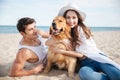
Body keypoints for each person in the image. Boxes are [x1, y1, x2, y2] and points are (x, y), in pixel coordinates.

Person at [45, 3, 120, 80]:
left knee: (117, 75)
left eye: (74, 17)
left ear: (78, 18)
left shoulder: (81, 29)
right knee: (84, 74)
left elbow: (82, 55)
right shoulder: (66, 31)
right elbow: (47, 42)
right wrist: (63, 40)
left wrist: (60, 51)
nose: (71, 20)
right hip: (85, 63)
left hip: (97, 58)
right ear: (65, 19)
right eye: (68, 17)